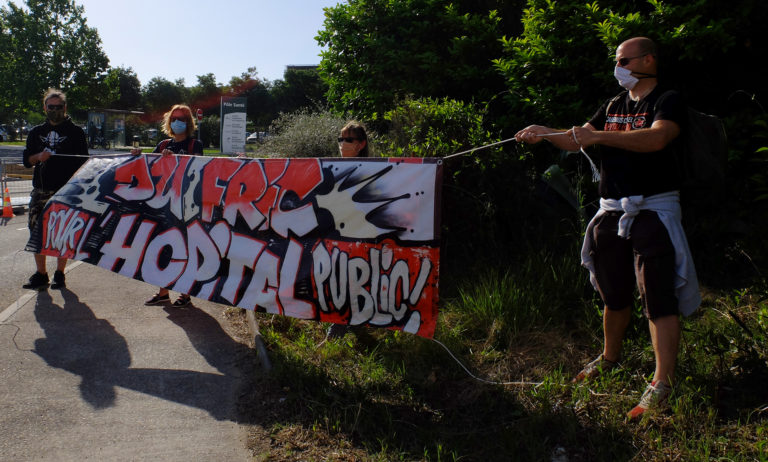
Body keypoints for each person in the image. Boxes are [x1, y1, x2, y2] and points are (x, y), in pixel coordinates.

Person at [515, 37, 700, 419]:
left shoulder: (666, 99)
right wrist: (544, 132)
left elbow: (658, 137)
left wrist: (598, 136)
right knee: (613, 293)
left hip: (652, 210)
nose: (618, 67)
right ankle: (610, 357)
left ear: (648, 59)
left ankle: (662, 381)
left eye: (624, 60)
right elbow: (575, 139)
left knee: (658, 297)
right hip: (611, 211)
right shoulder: (614, 104)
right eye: (617, 61)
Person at [131, 104, 203, 307]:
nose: (177, 122)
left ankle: (185, 294)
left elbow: (197, 169)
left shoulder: (194, 145)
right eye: (174, 118)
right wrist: (137, 154)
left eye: (181, 119)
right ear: (168, 122)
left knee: (184, 249)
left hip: (186, 206)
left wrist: (176, 161)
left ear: (188, 123)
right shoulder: (162, 145)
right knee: (162, 249)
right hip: (162, 205)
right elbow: (147, 166)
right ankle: (163, 292)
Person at [22, 88, 89, 291]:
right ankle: (41, 274)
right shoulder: (36, 132)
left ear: (65, 108)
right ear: (45, 107)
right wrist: (38, 157)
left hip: (66, 191)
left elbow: (84, 162)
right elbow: (26, 160)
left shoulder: (76, 132)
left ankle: (60, 273)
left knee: (64, 232)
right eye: (51, 107)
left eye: (58, 107)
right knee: (36, 231)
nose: (54, 110)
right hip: (41, 190)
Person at [325, 121, 369, 340]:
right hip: (335, 236)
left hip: (361, 238)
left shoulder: (372, 170)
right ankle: (343, 323)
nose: (342, 144)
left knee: (353, 279)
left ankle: (343, 325)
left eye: (348, 140)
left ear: (361, 144)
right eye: (340, 139)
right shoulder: (331, 167)